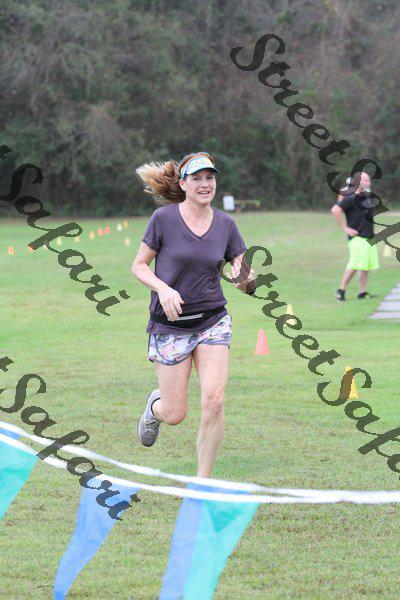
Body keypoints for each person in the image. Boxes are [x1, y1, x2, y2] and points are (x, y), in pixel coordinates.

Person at [131, 151, 256, 478]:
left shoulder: (226, 225)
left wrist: (246, 280)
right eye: (197, 178)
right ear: (183, 184)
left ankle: (202, 483)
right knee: (175, 414)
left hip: (213, 321)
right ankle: (156, 407)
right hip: (170, 326)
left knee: (215, 400)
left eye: (210, 178)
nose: (205, 184)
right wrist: (164, 289)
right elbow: (139, 266)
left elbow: (245, 277)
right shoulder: (163, 219)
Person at [331, 171, 379, 301]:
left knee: (365, 266)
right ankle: (341, 290)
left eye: (369, 180)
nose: (369, 183)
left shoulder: (367, 196)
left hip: (368, 237)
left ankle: (362, 292)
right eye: (366, 180)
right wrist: (345, 228)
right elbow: (335, 210)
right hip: (357, 238)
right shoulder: (351, 198)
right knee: (355, 264)